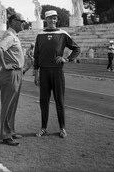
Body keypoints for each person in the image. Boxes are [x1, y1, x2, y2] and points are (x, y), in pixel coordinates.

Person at [34, 10, 81, 138]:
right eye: (50, 18)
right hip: (44, 72)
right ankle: (43, 128)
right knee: (44, 101)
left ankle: (62, 128)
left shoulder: (62, 34)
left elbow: (77, 48)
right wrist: (36, 73)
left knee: (59, 100)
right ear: (46, 19)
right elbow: (36, 55)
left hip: (57, 71)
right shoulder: (40, 35)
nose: (53, 21)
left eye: (55, 18)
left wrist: (66, 59)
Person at [0, 13, 25, 146]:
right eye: (21, 21)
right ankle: (6, 135)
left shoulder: (14, 36)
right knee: (8, 104)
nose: (24, 23)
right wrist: (4, 65)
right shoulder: (9, 36)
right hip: (10, 73)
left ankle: (10, 131)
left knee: (13, 105)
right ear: (13, 22)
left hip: (16, 73)